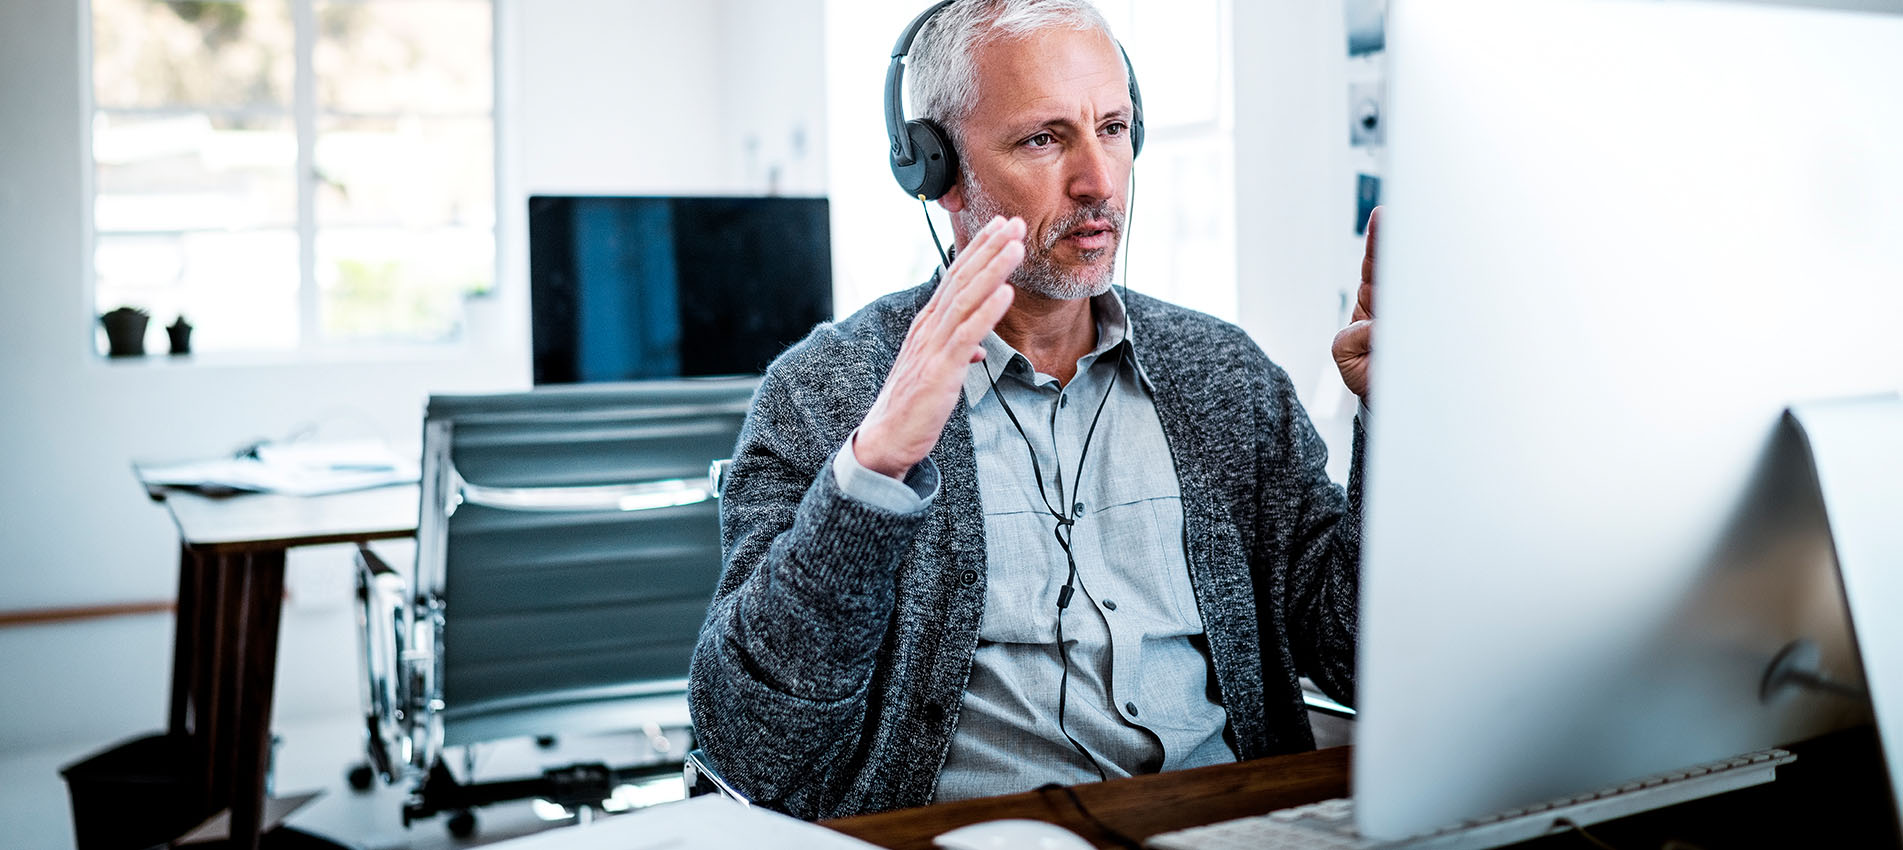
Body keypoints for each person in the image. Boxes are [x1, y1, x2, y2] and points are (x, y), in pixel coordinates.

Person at [688, 0, 1377, 820]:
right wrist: (869, 475)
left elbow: (1354, 658)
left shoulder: (1224, 375)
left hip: (1226, 826)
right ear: (935, 170)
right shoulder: (827, 392)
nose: (1098, 181)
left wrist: (1402, 428)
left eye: (1114, 128)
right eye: (1043, 139)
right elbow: (752, 743)